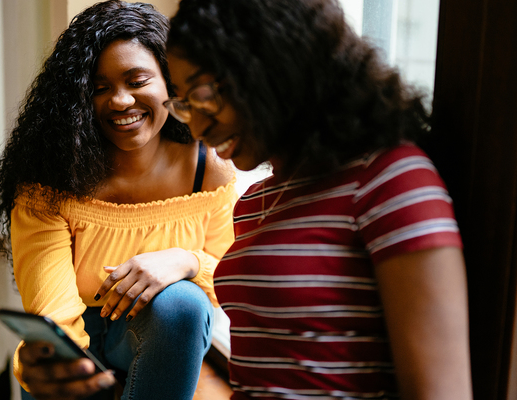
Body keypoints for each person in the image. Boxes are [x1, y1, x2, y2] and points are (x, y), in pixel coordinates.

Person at [164, 0, 473, 399]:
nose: (200, 126)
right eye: (185, 103)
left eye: (206, 94)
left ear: (273, 64)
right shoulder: (255, 203)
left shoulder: (388, 179)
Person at [0, 1, 237, 399]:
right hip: (75, 337)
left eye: (136, 81)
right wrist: (72, 373)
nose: (120, 101)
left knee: (184, 303)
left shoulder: (208, 166)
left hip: (158, 340)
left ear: (171, 84)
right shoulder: (49, 178)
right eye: (99, 88)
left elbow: (229, 282)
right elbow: (53, 310)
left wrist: (184, 260)